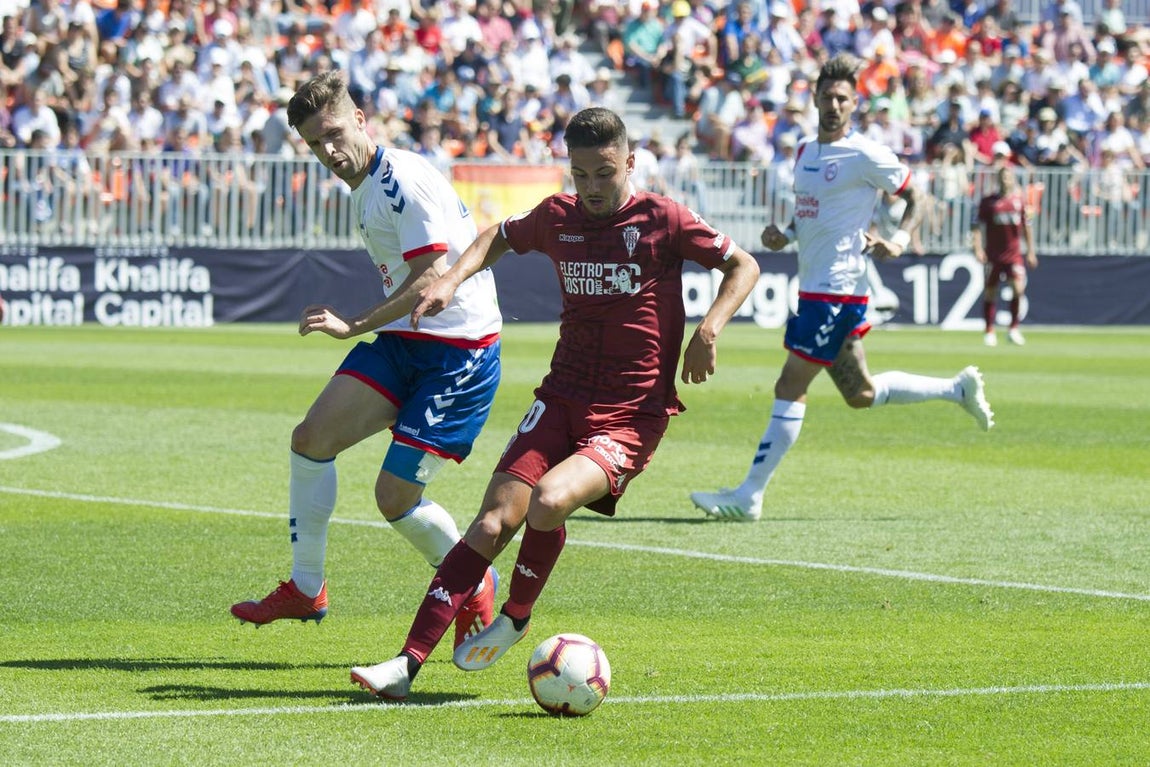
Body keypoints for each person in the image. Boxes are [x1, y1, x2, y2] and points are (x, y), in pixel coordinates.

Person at [347, 106, 760, 699]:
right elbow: (495, 236)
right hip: (561, 395)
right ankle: (405, 666)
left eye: (605, 173)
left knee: (549, 500)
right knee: (491, 522)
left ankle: (516, 614)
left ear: (631, 163)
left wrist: (710, 328)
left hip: (631, 414)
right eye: (580, 174)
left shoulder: (663, 219)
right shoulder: (558, 216)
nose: (590, 187)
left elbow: (742, 264)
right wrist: (450, 279)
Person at [230, 71, 502, 651]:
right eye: (312, 144)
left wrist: (353, 326)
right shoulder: (370, 183)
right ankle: (307, 588)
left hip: (459, 353)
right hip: (411, 341)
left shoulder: (400, 178)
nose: (327, 152)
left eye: (332, 133)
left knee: (393, 498)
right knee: (311, 439)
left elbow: (431, 277)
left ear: (359, 119)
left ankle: (473, 579)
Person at [689, 54, 995, 523]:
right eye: (827, 96)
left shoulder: (865, 154)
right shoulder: (805, 153)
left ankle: (749, 494)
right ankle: (957, 389)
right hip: (820, 289)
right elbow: (809, 212)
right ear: (813, 99)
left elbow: (917, 194)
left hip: (836, 290)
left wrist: (897, 239)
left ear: (855, 104)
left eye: (842, 98)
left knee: (789, 384)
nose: (833, 104)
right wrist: (785, 234)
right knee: (861, 394)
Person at [972, 164, 1038, 346]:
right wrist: (978, 248)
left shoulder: (1020, 201)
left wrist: (1031, 251)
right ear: (998, 179)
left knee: (1018, 289)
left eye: (1008, 176)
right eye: (1002, 176)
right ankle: (989, 330)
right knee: (990, 291)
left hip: (1014, 254)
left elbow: (1027, 227)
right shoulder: (988, 202)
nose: (1005, 180)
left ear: (1012, 179)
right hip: (993, 254)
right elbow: (977, 227)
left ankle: (1013, 328)